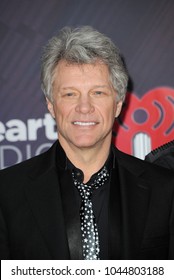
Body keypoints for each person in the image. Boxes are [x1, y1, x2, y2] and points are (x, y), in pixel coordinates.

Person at [0, 26, 174, 260]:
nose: (84, 107)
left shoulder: (165, 189)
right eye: (70, 94)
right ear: (51, 104)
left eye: (98, 93)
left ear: (118, 103)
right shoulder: (7, 193)